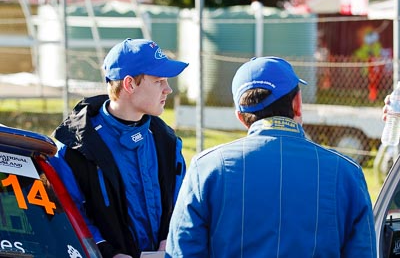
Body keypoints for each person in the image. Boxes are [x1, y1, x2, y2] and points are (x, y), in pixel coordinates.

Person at [166, 56, 376, 257]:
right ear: (297, 104)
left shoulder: (207, 169)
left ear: (240, 116)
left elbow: (182, 250)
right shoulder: (346, 173)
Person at [49, 38, 188, 258]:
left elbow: (182, 201)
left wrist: (168, 239)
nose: (168, 89)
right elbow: (69, 212)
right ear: (129, 84)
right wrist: (108, 252)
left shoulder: (167, 141)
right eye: (159, 81)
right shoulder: (75, 146)